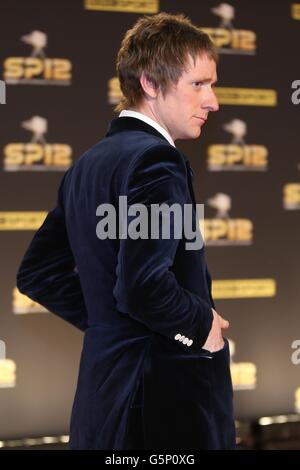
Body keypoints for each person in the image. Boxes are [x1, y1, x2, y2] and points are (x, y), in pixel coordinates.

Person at [16, 12, 236, 450]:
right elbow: (143, 288)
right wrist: (198, 325)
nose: (213, 102)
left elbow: (37, 274)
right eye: (198, 84)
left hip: (105, 402)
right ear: (151, 83)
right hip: (161, 408)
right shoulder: (157, 161)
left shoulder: (88, 164)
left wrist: (113, 326)